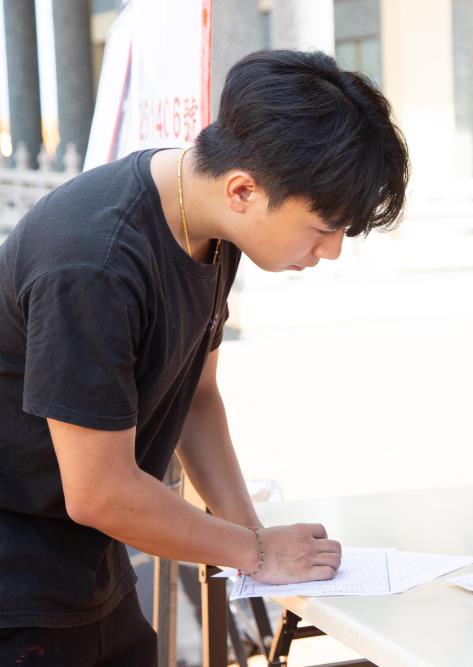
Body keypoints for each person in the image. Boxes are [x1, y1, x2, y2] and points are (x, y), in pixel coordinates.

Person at [0, 49, 408, 665]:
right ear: (244, 189)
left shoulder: (211, 224)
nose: (330, 253)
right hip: (18, 587)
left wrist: (251, 536)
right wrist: (258, 554)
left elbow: (197, 396)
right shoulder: (94, 263)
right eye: (323, 229)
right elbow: (99, 491)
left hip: (90, 569)